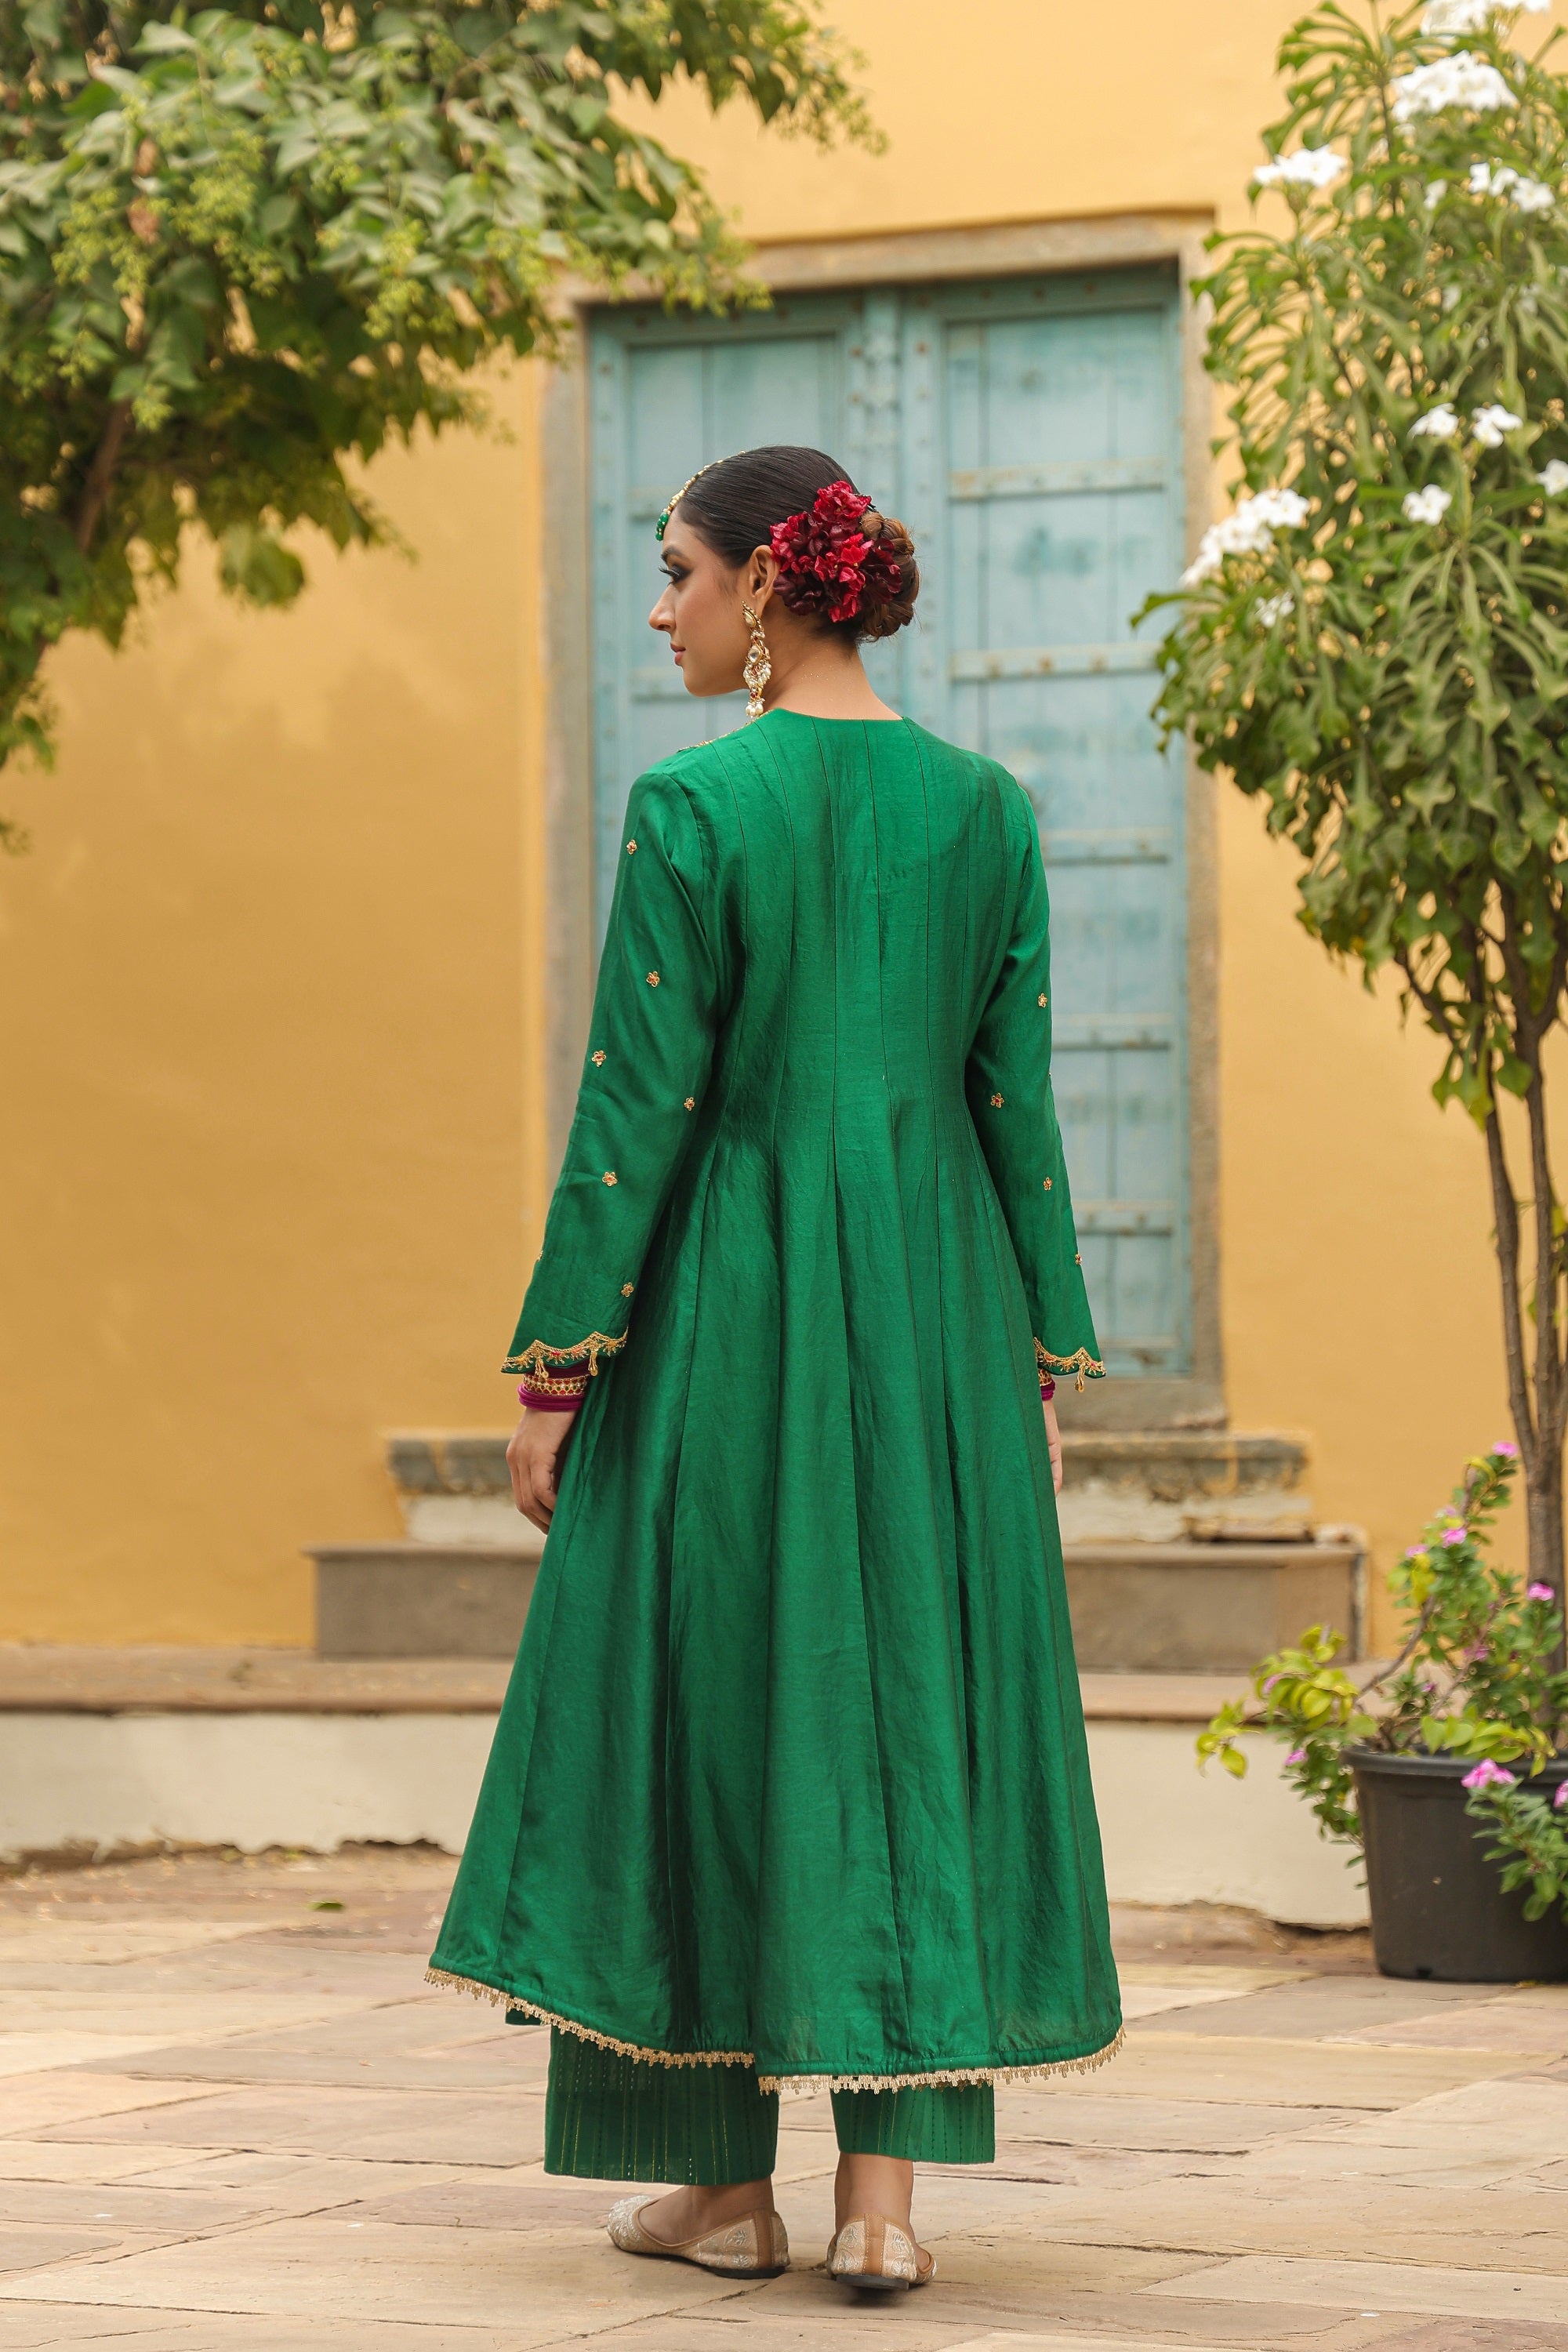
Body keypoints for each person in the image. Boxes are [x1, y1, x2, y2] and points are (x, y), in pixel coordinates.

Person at [428, 446, 1122, 2294]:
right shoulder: (985, 809)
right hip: (939, 1312)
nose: (659, 608)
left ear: (763, 587)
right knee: (907, 1700)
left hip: (732, 1304)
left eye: (676, 571)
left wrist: (557, 1368)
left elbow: (634, 1112)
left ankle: (719, 2193)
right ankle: (883, 2206)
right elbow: (1016, 1112)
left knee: (709, 1692)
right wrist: (1035, 1364)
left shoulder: (692, 803)